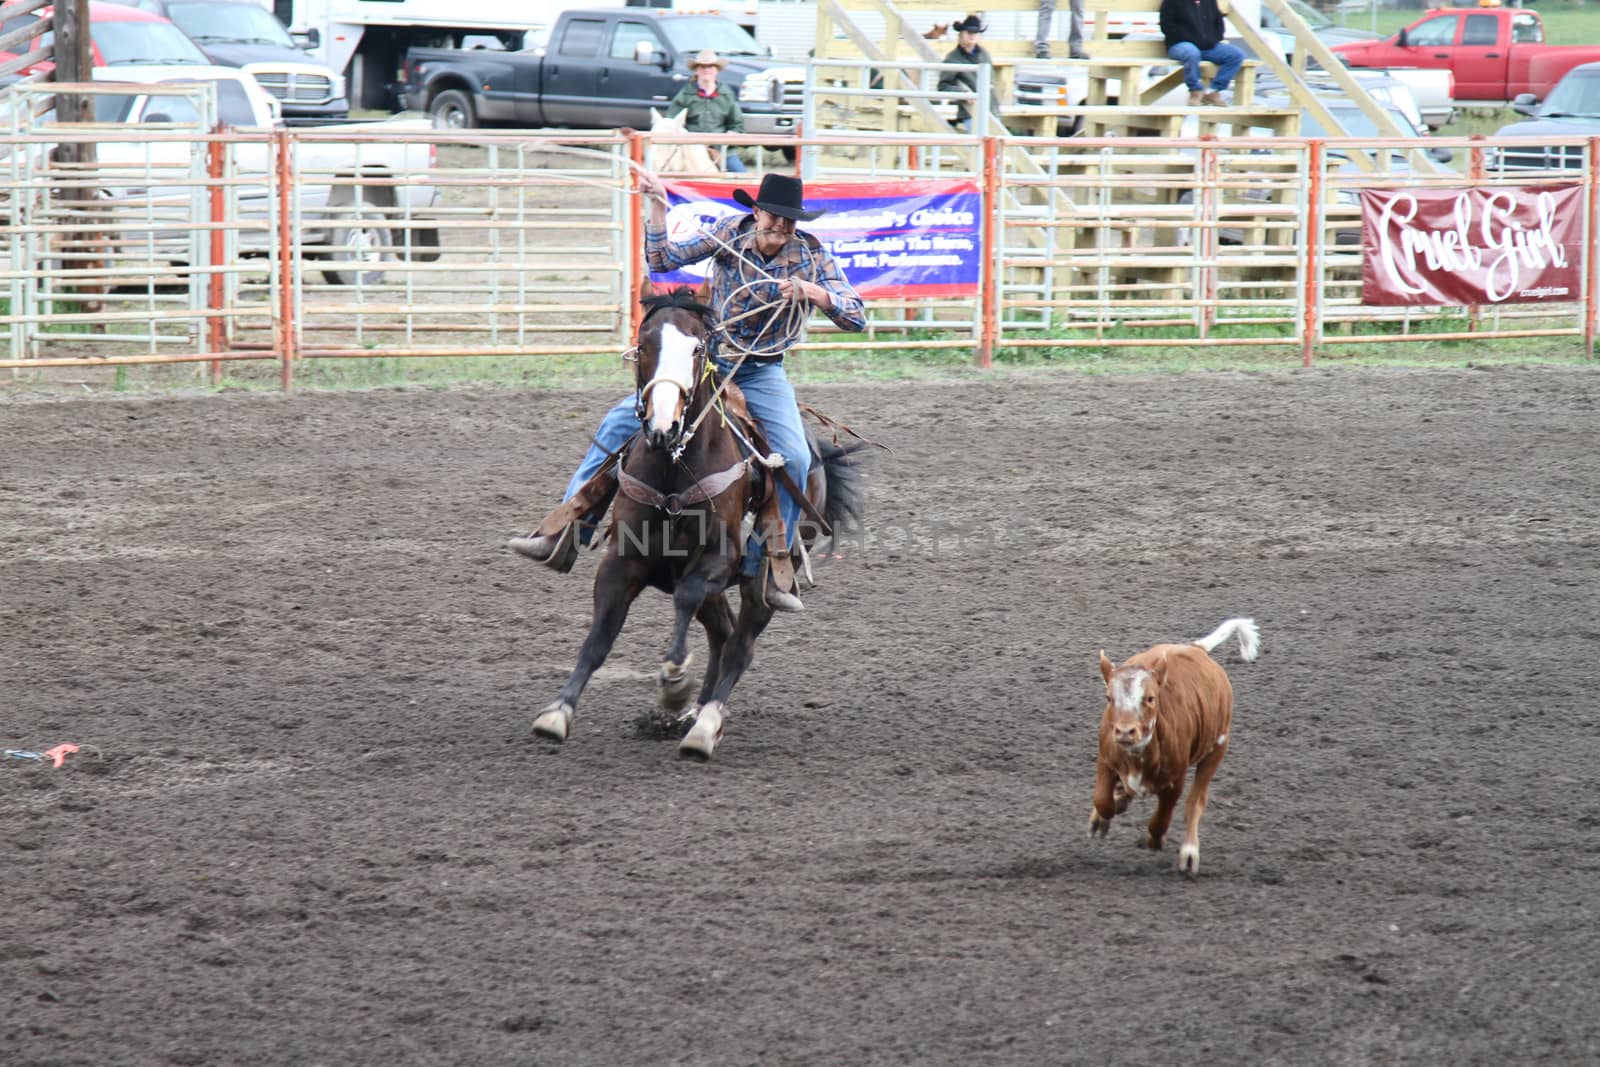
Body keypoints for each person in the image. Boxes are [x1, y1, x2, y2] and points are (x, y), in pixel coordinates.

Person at [508, 172, 867, 612]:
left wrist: (816, 294)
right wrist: (659, 207)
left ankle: (772, 564)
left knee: (794, 455)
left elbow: (857, 315)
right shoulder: (726, 235)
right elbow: (661, 259)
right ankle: (567, 529)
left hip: (761, 372)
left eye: (790, 222)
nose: (782, 228)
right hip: (707, 364)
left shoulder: (811, 256)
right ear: (756, 212)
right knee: (619, 421)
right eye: (775, 217)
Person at [667, 48, 747, 173]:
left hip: (722, 149)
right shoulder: (685, 94)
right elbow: (670, 121)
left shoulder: (726, 94)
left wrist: (731, 135)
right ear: (696, 70)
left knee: (741, 175)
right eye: (702, 66)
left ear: (716, 70)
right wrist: (681, 133)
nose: (706, 70)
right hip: (691, 148)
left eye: (710, 66)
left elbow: (737, 124)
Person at [1159, 0, 1245, 107]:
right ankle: (1195, 91)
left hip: (1208, 46)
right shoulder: (1172, 2)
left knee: (1236, 55)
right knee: (1192, 53)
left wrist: (1213, 39)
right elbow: (1166, 25)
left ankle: (1213, 92)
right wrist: (1189, 39)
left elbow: (1219, 24)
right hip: (1179, 44)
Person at [937, 15, 996, 132]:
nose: (972, 35)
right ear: (961, 34)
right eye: (969, 32)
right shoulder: (952, 59)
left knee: (993, 148)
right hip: (970, 112)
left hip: (991, 110)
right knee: (983, 147)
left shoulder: (985, 54)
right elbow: (943, 86)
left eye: (976, 32)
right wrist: (964, 94)